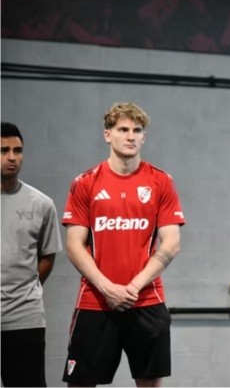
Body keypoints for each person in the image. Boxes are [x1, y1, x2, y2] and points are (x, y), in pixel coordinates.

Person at [61, 102, 185, 387]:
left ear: (144, 137)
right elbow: (74, 245)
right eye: (123, 129)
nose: (131, 136)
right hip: (95, 301)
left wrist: (133, 288)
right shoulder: (85, 183)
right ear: (108, 134)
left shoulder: (161, 181)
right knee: (80, 383)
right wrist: (107, 288)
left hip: (146, 300)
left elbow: (172, 242)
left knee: (150, 384)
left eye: (137, 130)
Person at [1, 121, 63, 387]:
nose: (12, 157)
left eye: (18, 150)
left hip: (24, 319)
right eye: (4, 150)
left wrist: (27, 286)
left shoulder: (42, 204)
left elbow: (48, 257)